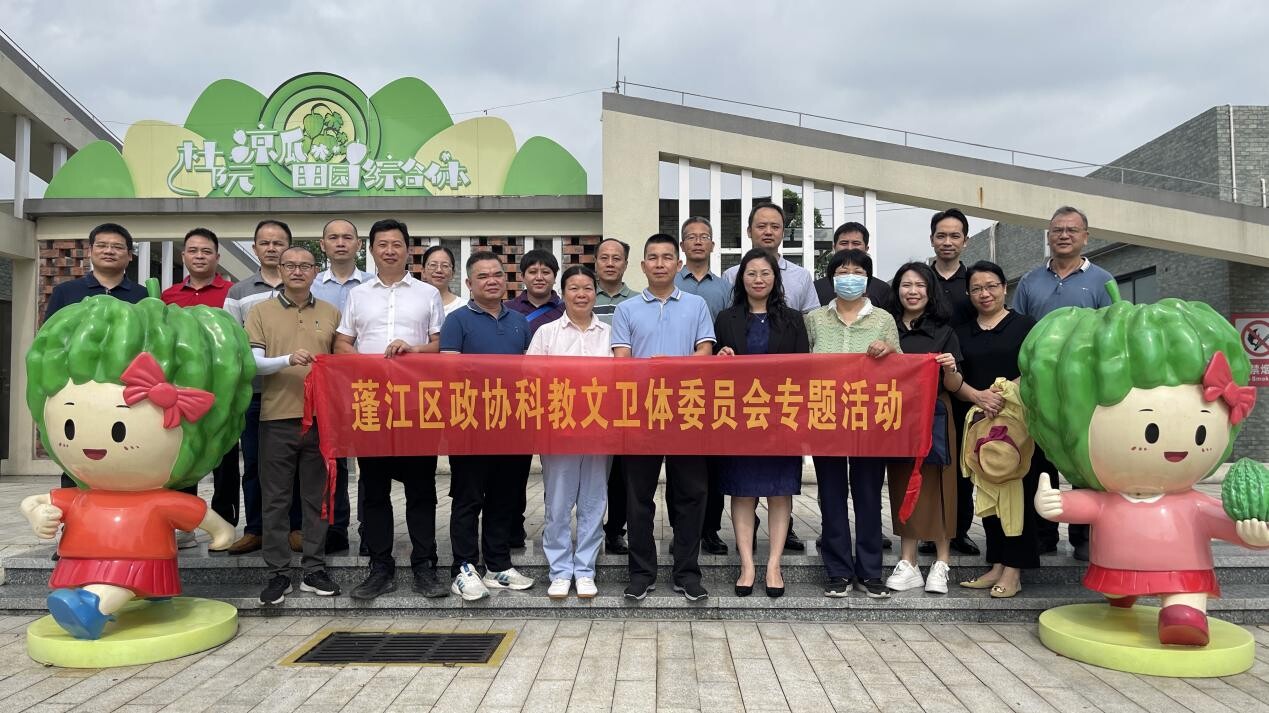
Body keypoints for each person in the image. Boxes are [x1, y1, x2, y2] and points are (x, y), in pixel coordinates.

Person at [335, 218, 448, 600]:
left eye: (396, 244)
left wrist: (413, 350)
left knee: (421, 490)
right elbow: (342, 343)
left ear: (407, 250)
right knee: (374, 490)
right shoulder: (358, 295)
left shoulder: (427, 294)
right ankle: (380, 567)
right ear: (371, 250)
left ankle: (425, 566)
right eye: (382, 244)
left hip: (416, 405)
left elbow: (439, 345)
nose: (389, 250)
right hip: (372, 405)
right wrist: (367, 364)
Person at [612, 234, 716, 601]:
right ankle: (642, 573)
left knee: (691, 494)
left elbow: (705, 352)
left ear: (678, 264)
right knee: (637, 497)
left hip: (686, 411)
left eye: (667, 257)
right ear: (643, 266)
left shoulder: (697, 305)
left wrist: (669, 366)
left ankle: (687, 573)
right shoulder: (626, 310)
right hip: (640, 414)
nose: (660, 263)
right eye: (653, 257)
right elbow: (622, 361)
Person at [1012, 206, 1114, 562]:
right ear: (1048, 236)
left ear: (1086, 236)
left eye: (1072, 229)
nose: (1064, 235)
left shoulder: (1102, 280)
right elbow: (1019, 330)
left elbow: (1113, 330)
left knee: (1085, 462)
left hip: (1086, 389)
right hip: (1041, 388)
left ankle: (1084, 535)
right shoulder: (1030, 281)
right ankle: (1044, 535)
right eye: (1057, 230)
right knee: (1041, 462)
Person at [246, 246, 341, 605]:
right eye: (290, 265)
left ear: (316, 271)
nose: (298, 271)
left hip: (321, 420)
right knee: (275, 499)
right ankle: (278, 574)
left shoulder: (331, 312)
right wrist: (287, 359)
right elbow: (253, 363)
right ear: (280, 270)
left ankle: (314, 568)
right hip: (276, 417)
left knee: (317, 499)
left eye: (305, 266)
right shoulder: (261, 311)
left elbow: (343, 363)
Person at [805, 248, 901, 599]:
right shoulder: (814, 319)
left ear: (868, 278)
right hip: (826, 417)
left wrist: (888, 351)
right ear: (831, 277)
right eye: (843, 271)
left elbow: (902, 367)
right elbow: (801, 366)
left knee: (868, 495)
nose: (850, 277)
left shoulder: (884, 320)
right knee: (831, 495)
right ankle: (838, 570)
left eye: (858, 271)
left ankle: (871, 571)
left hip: (869, 419)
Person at [713, 248, 809, 598]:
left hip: (781, 418)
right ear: (741, 279)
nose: (758, 279)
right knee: (742, 491)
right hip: (739, 419)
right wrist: (721, 357)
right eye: (751, 273)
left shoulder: (793, 319)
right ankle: (747, 565)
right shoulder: (726, 319)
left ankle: (774, 564)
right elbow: (713, 373)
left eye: (765, 273)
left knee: (780, 491)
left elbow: (804, 370)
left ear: (775, 278)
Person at [441, 251, 535, 600]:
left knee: (504, 497)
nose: (492, 280)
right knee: (468, 498)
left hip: (513, 423)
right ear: (468, 283)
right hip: (471, 424)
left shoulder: (520, 322)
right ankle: (464, 567)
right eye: (482, 276)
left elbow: (529, 373)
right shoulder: (457, 321)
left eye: (497, 274)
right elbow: (450, 373)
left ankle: (497, 565)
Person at [954, 261, 1040, 598]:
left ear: (1005, 288)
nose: (984, 293)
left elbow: (1035, 367)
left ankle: (1015, 569)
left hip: (1018, 424)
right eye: (976, 288)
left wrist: (1002, 394)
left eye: (991, 286)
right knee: (988, 494)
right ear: (968, 294)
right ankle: (997, 563)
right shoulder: (962, 332)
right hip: (979, 423)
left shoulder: (1025, 326)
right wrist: (979, 397)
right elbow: (955, 378)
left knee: (1018, 494)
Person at [44, 223, 149, 496]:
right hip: (77, 389)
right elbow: (49, 340)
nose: (109, 251)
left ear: (129, 255)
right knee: (78, 452)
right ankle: (75, 513)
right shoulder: (66, 292)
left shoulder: (142, 296)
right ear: (90, 251)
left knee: (124, 452)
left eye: (117, 247)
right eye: (102, 245)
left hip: (123, 392)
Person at [527, 265, 612, 600]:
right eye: (574, 288)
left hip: (598, 429)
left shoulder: (609, 333)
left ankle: (586, 569)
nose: (581, 294)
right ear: (563, 294)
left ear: (595, 293)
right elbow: (531, 379)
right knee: (558, 502)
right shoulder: (546, 333)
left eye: (587, 288)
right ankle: (560, 570)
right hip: (558, 430)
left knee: (594, 500)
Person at [881, 262, 964, 595]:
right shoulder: (886, 328)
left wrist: (951, 367)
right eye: (906, 285)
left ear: (930, 292)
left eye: (920, 286)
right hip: (897, 414)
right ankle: (909, 562)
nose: (912, 291)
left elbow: (955, 385)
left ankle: (942, 563)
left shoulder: (944, 331)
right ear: (897, 290)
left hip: (936, 413)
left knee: (941, 484)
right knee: (903, 482)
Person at [159, 228, 239, 543]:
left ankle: (225, 523)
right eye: (193, 251)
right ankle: (183, 525)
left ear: (217, 257)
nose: (200, 256)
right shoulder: (168, 297)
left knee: (225, 460)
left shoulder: (231, 293)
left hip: (222, 389)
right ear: (183, 256)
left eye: (206, 251)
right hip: (182, 391)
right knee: (183, 456)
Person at [223, 219, 291, 555]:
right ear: (255, 248)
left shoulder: (302, 285)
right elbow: (230, 341)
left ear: (288, 247)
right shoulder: (239, 292)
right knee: (254, 463)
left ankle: (294, 528)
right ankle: (255, 530)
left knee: (293, 465)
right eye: (265, 243)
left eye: (278, 243)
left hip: (293, 391)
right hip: (255, 392)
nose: (272, 248)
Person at [310, 218, 373, 556]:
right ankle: (335, 528)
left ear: (359, 245)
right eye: (333, 237)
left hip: (368, 386)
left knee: (369, 461)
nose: (340, 242)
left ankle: (370, 528)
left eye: (347, 237)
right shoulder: (312, 286)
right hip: (327, 388)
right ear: (323, 244)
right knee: (333, 461)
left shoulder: (375, 286)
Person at [674, 217, 735, 557]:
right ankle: (681, 530)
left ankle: (710, 529)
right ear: (682, 245)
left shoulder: (725, 288)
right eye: (691, 237)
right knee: (677, 462)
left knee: (712, 462)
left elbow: (730, 330)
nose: (698, 241)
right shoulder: (669, 282)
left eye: (704, 237)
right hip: (674, 387)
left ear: (713, 244)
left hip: (714, 386)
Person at [923, 208, 980, 558]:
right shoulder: (920, 279)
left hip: (963, 380)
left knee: (963, 460)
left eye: (954, 236)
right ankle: (929, 529)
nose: (947, 242)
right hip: (924, 384)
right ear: (932, 239)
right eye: (941, 235)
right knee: (929, 459)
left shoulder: (974, 281)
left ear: (965, 241)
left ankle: (959, 530)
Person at [592, 237, 636, 556]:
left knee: (621, 472)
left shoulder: (637, 301)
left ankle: (615, 530)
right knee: (591, 468)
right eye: (604, 257)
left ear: (626, 264)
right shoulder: (580, 295)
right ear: (595, 262)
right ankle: (589, 529)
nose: (610, 263)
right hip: (588, 396)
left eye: (616, 258)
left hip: (625, 397)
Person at [723, 202, 819, 313]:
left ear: (783, 233)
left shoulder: (801, 276)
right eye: (761, 226)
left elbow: (811, 319)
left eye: (775, 227)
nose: (768, 232)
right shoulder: (731, 276)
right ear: (749, 231)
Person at [812, 222, 895, 313]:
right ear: (834, 247)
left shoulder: (882, 289)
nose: (850, 248)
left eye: (856, 243)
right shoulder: (815, 288)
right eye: (844, 243)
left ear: (866, 248)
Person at [506, 249, 565, 338]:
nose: (539, 277)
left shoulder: (567, 311)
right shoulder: (507, 310)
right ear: (522, 277)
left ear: (555, 277)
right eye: (533, 272)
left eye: (545, 272)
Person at [420, 244, 465, 316]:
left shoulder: (463, 307)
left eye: (445, 266)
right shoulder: (412, 304)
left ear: (453, 273)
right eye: (433, 265)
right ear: (423, 271)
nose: (439, 270)